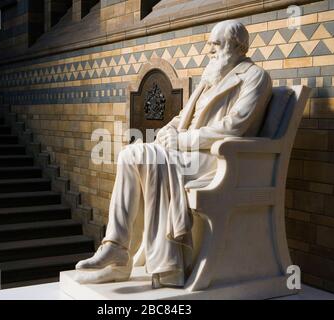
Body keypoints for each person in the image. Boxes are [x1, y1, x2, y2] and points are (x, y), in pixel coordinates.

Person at [75, 19, 273, 288]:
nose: (210, 50)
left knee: (141, 158)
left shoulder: (255, 77)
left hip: (216, 158)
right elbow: (183, 116)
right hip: (188, 151)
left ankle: (152, 260)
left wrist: (183, 140)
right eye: (209, 44)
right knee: (131, 154)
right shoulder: (211, 74)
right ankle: (116, 248)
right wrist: (167, 133)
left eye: (216, 44)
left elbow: (236, 126)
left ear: (237, 45)